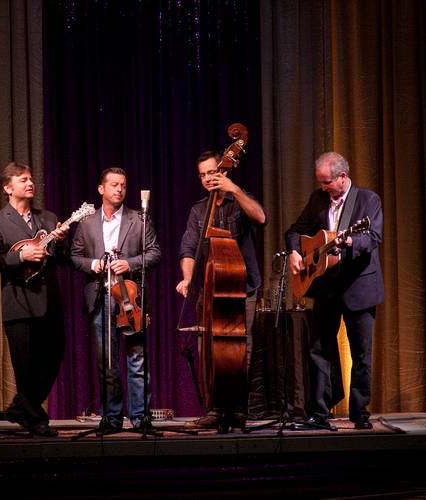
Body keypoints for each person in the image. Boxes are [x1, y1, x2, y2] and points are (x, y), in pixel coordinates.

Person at [285, 152, 383, 431]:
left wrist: (350, 239)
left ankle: (360, 413)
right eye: (321, 182)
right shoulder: (318, 199)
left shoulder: (368, 200)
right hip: (326, 287)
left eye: (327, 182)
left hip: (359, 287)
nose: (323, 187)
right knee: (319, 350)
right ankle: (319, 412)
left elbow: (373, 237)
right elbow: (295, 230)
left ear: (343, 177)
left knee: (361, 353)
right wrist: (294, 250)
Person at [176, 150, 267, 430]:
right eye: (202, 174)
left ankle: (238, 410)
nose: (206, 179)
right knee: (209, 352)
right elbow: (189, 248)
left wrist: (234, 189)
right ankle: (214, 409)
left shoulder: (239, 200)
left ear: (223, 170)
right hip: (209, 287)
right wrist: (188, 278)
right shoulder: (198, 210)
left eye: (211, 172)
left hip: (242, 286)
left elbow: (261, 218)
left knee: (243, 351)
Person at [71, 167, 161, 430]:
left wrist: (129, 263)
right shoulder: (87, 222)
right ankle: (111, 417)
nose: (119, 189)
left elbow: (155, 253)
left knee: (137, 358)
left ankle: (140, 416)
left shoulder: (139, 219)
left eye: (123, 185)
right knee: (106, 362)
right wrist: (93, 265)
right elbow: (74, 257)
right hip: (100, 297)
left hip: (130, 297)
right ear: (101, 189)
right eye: (113, 185)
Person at [0, 162, 69, 437]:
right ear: (8, 188)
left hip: (49, 303)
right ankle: (35, 419)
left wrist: (61, 241)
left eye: (31, 178)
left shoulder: (48, 218)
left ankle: (21, 407)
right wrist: (21, 256)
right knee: (25, 364)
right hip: (18, 304)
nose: (30, 183)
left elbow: (62, 258)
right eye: (23, 180)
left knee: (54, 356)